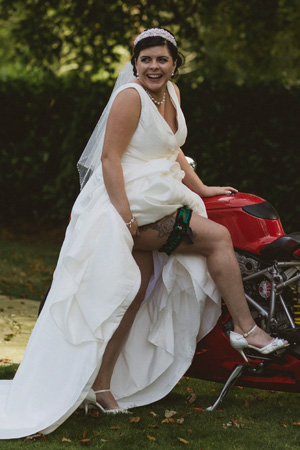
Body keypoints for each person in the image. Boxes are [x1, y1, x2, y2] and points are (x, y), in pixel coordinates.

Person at [0, 27, 288, 439]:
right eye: (146, 59)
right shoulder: (130, 97)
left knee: (132, 294)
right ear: (135, 63)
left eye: (162, 59)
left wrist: (202, 188)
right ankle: (245, 329)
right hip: (128, 205)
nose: (154, 66)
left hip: (161, 197)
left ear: (175, 64)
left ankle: (101, 386)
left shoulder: (170, 95)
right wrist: (124, 217)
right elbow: (110, 158)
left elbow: (171, 149)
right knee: (218, 238)